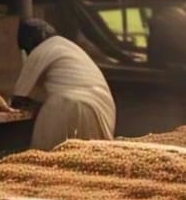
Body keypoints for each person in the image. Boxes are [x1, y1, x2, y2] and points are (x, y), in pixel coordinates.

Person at [12, 18, 116, 149]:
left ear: (40, 37)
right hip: (102, 109)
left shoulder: (41, 49)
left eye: (27, 47)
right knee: (89, 162)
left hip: (69, 104)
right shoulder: (68, 47)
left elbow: (18, 98)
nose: (28, 53)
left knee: (44, 160)